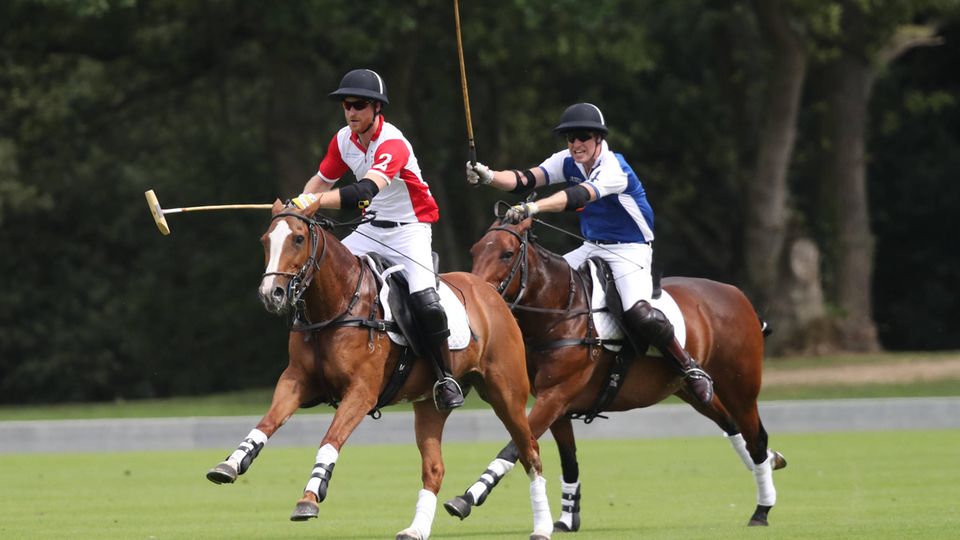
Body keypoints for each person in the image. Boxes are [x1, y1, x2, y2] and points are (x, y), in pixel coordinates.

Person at [465, 102, 713, 404]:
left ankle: (689, 367)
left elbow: (579, 195)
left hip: (630, 251)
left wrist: (534, 207)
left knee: (638, 312)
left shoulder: (613, 168)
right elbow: (525, 179)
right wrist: (488, 175)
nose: (575, 144)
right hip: (591, 247)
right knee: (540, 286)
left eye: (582, 136)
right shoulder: (566, 159)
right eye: (570, 138)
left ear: (598, 138)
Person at [291, 68, 464, 410]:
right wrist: (296, 206)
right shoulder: (343, 140)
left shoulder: (393, 144)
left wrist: (314, 203)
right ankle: (313, 368)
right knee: (316, 275)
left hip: (409, 228)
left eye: (358, 105)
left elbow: (363, 190)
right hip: (371, 228)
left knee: (426, 301)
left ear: (375, 108)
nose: (351, 112)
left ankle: (446, 377)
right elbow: (321, 181)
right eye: (346, 105)